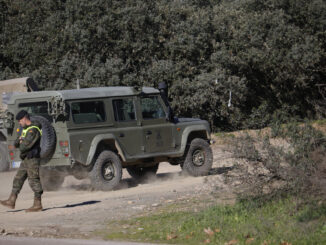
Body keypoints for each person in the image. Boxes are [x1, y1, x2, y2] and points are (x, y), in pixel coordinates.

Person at [0, 110, 43, 212]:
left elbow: (24, 146)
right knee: (18, 178)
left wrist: (21, 141)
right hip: (26, 159)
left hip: (32, 159)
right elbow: (16, 143)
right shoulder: (25, 129)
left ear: (25, 118)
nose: (19, 122)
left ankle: (38, 204)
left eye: (20, 120)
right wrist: (19, 141)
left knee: (33, 180)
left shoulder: (33, 130)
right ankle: (11, 200)